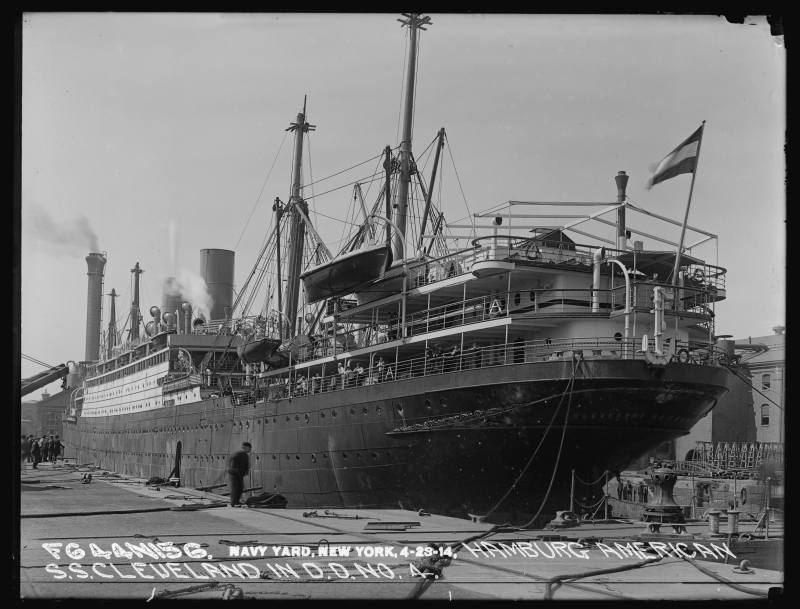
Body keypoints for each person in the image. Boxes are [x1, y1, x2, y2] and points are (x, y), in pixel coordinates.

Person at [227, 442, 252, 507]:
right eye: (249, 448)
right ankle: (233, 503)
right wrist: (233, 470)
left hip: (240, 474)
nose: (250, 449)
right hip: (235, 474)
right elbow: (230, 461)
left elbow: (246, 465)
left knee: (240, 488)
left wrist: (246, 471)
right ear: (245, 447)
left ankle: (236, 501)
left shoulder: (245, 455)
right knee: (235, 488)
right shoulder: (238, 454)